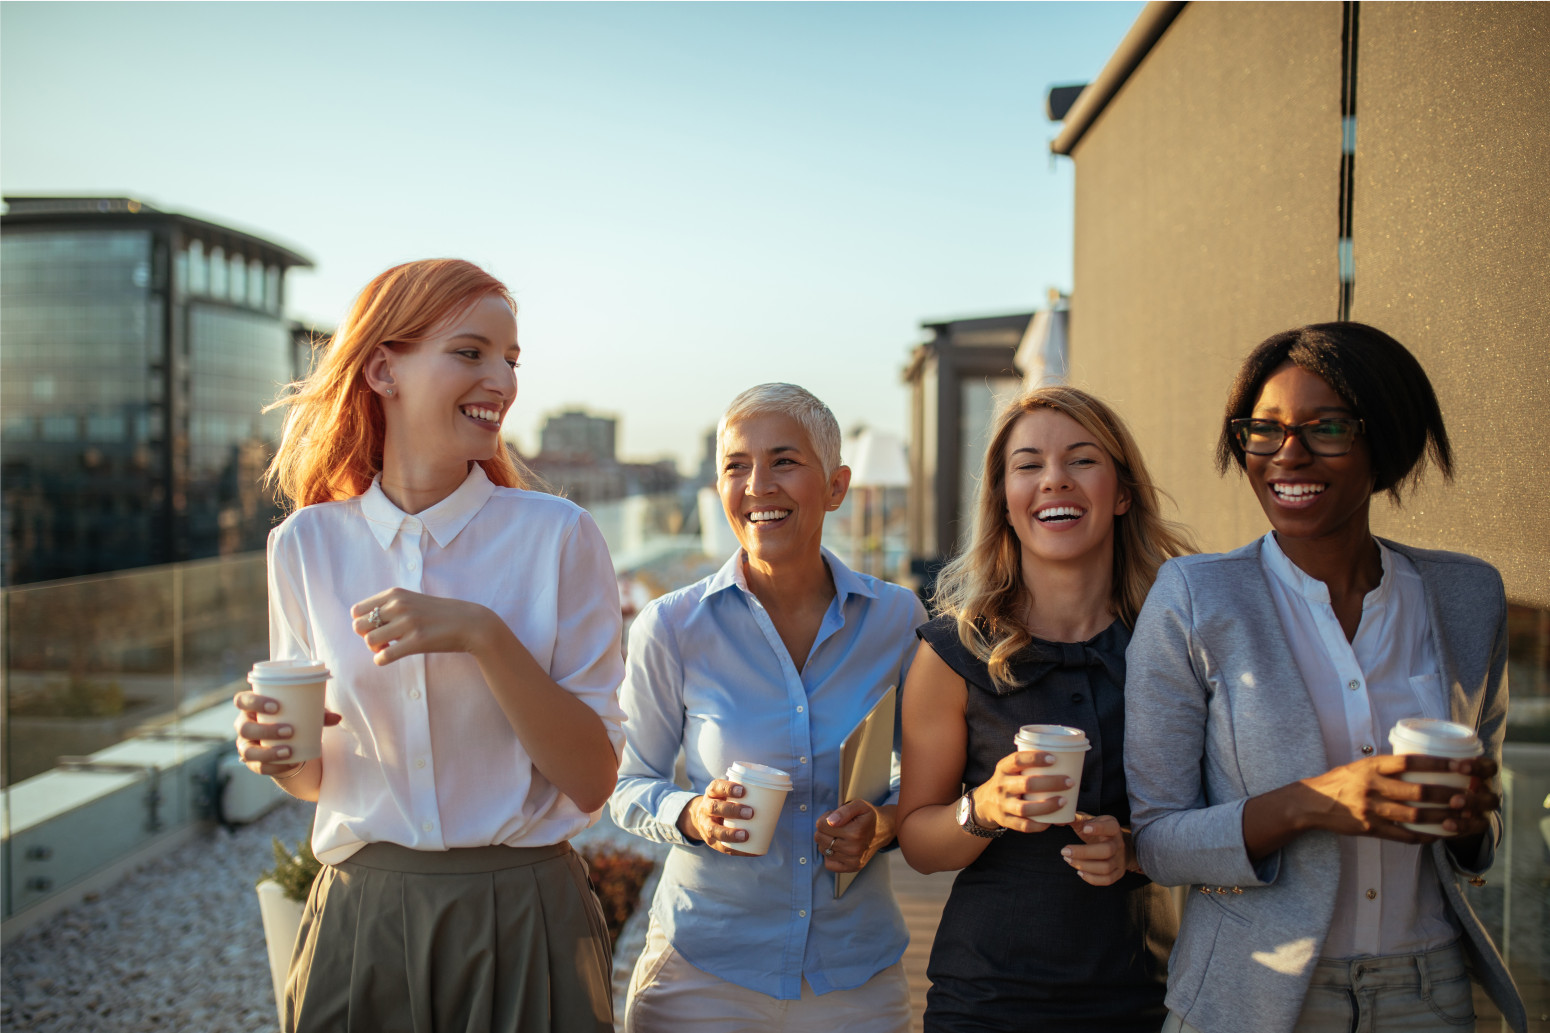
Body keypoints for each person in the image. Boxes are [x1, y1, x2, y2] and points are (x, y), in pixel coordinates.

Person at [231, 259, 623, 1033]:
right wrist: (278, 755)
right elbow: (316, 776)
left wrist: (481, 634)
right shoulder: (304, 545)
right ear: (383, 369)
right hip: (360, 914)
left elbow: (591, 777)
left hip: (526, 913)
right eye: (471, 352)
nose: (502, 382)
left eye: (511, 359)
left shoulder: (559, 536)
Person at [1124, 322, 1527, 1033]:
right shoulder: (1194, 597)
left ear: (1385, 441)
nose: (1289, 454)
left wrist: (1470, 824)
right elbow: (1158, 840)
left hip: (1428, 988)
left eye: (1327, 428)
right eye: (1264, 430)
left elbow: (1484, 825)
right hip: (1255, 991)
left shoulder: (1469, 596)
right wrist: (1313, 801)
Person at [609, 383, 925, 1033]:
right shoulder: (671, 625)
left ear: (836, 487)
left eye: (783, 460)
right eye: (735, 466)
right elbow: (626, 784)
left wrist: (884, 822)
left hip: (855, 977)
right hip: (703, 974)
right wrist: (691, 812)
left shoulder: (898, 620)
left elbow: (927, 775)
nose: (758, 484)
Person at [896, 385, 1193, 1033]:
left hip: (1151, 993)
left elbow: (1219, 819)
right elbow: (917, 841)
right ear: (1005, 499)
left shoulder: (1177, 642)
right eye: (1028, 465)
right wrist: (987, 806)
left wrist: (1137, 849)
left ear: (1122, 492)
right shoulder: (951, 653)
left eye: (1082, 459)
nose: (1054, 479)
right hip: (986, 1001)